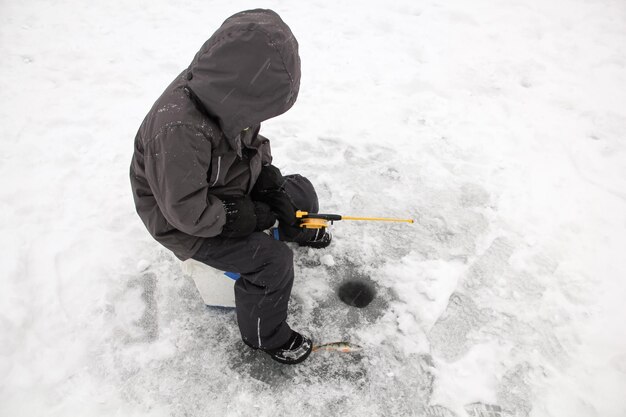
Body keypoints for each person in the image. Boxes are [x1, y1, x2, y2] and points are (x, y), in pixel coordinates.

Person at [129, 9, 331, 365]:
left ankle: (292, 226)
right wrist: (243, 216)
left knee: (301, 193)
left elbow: (249, 138)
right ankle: (263, 336)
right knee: (272, 263)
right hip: (183, 221)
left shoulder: (224, 91)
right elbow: (186, 211)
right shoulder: (177, 130)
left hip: (223, 184)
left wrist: (268, 179)